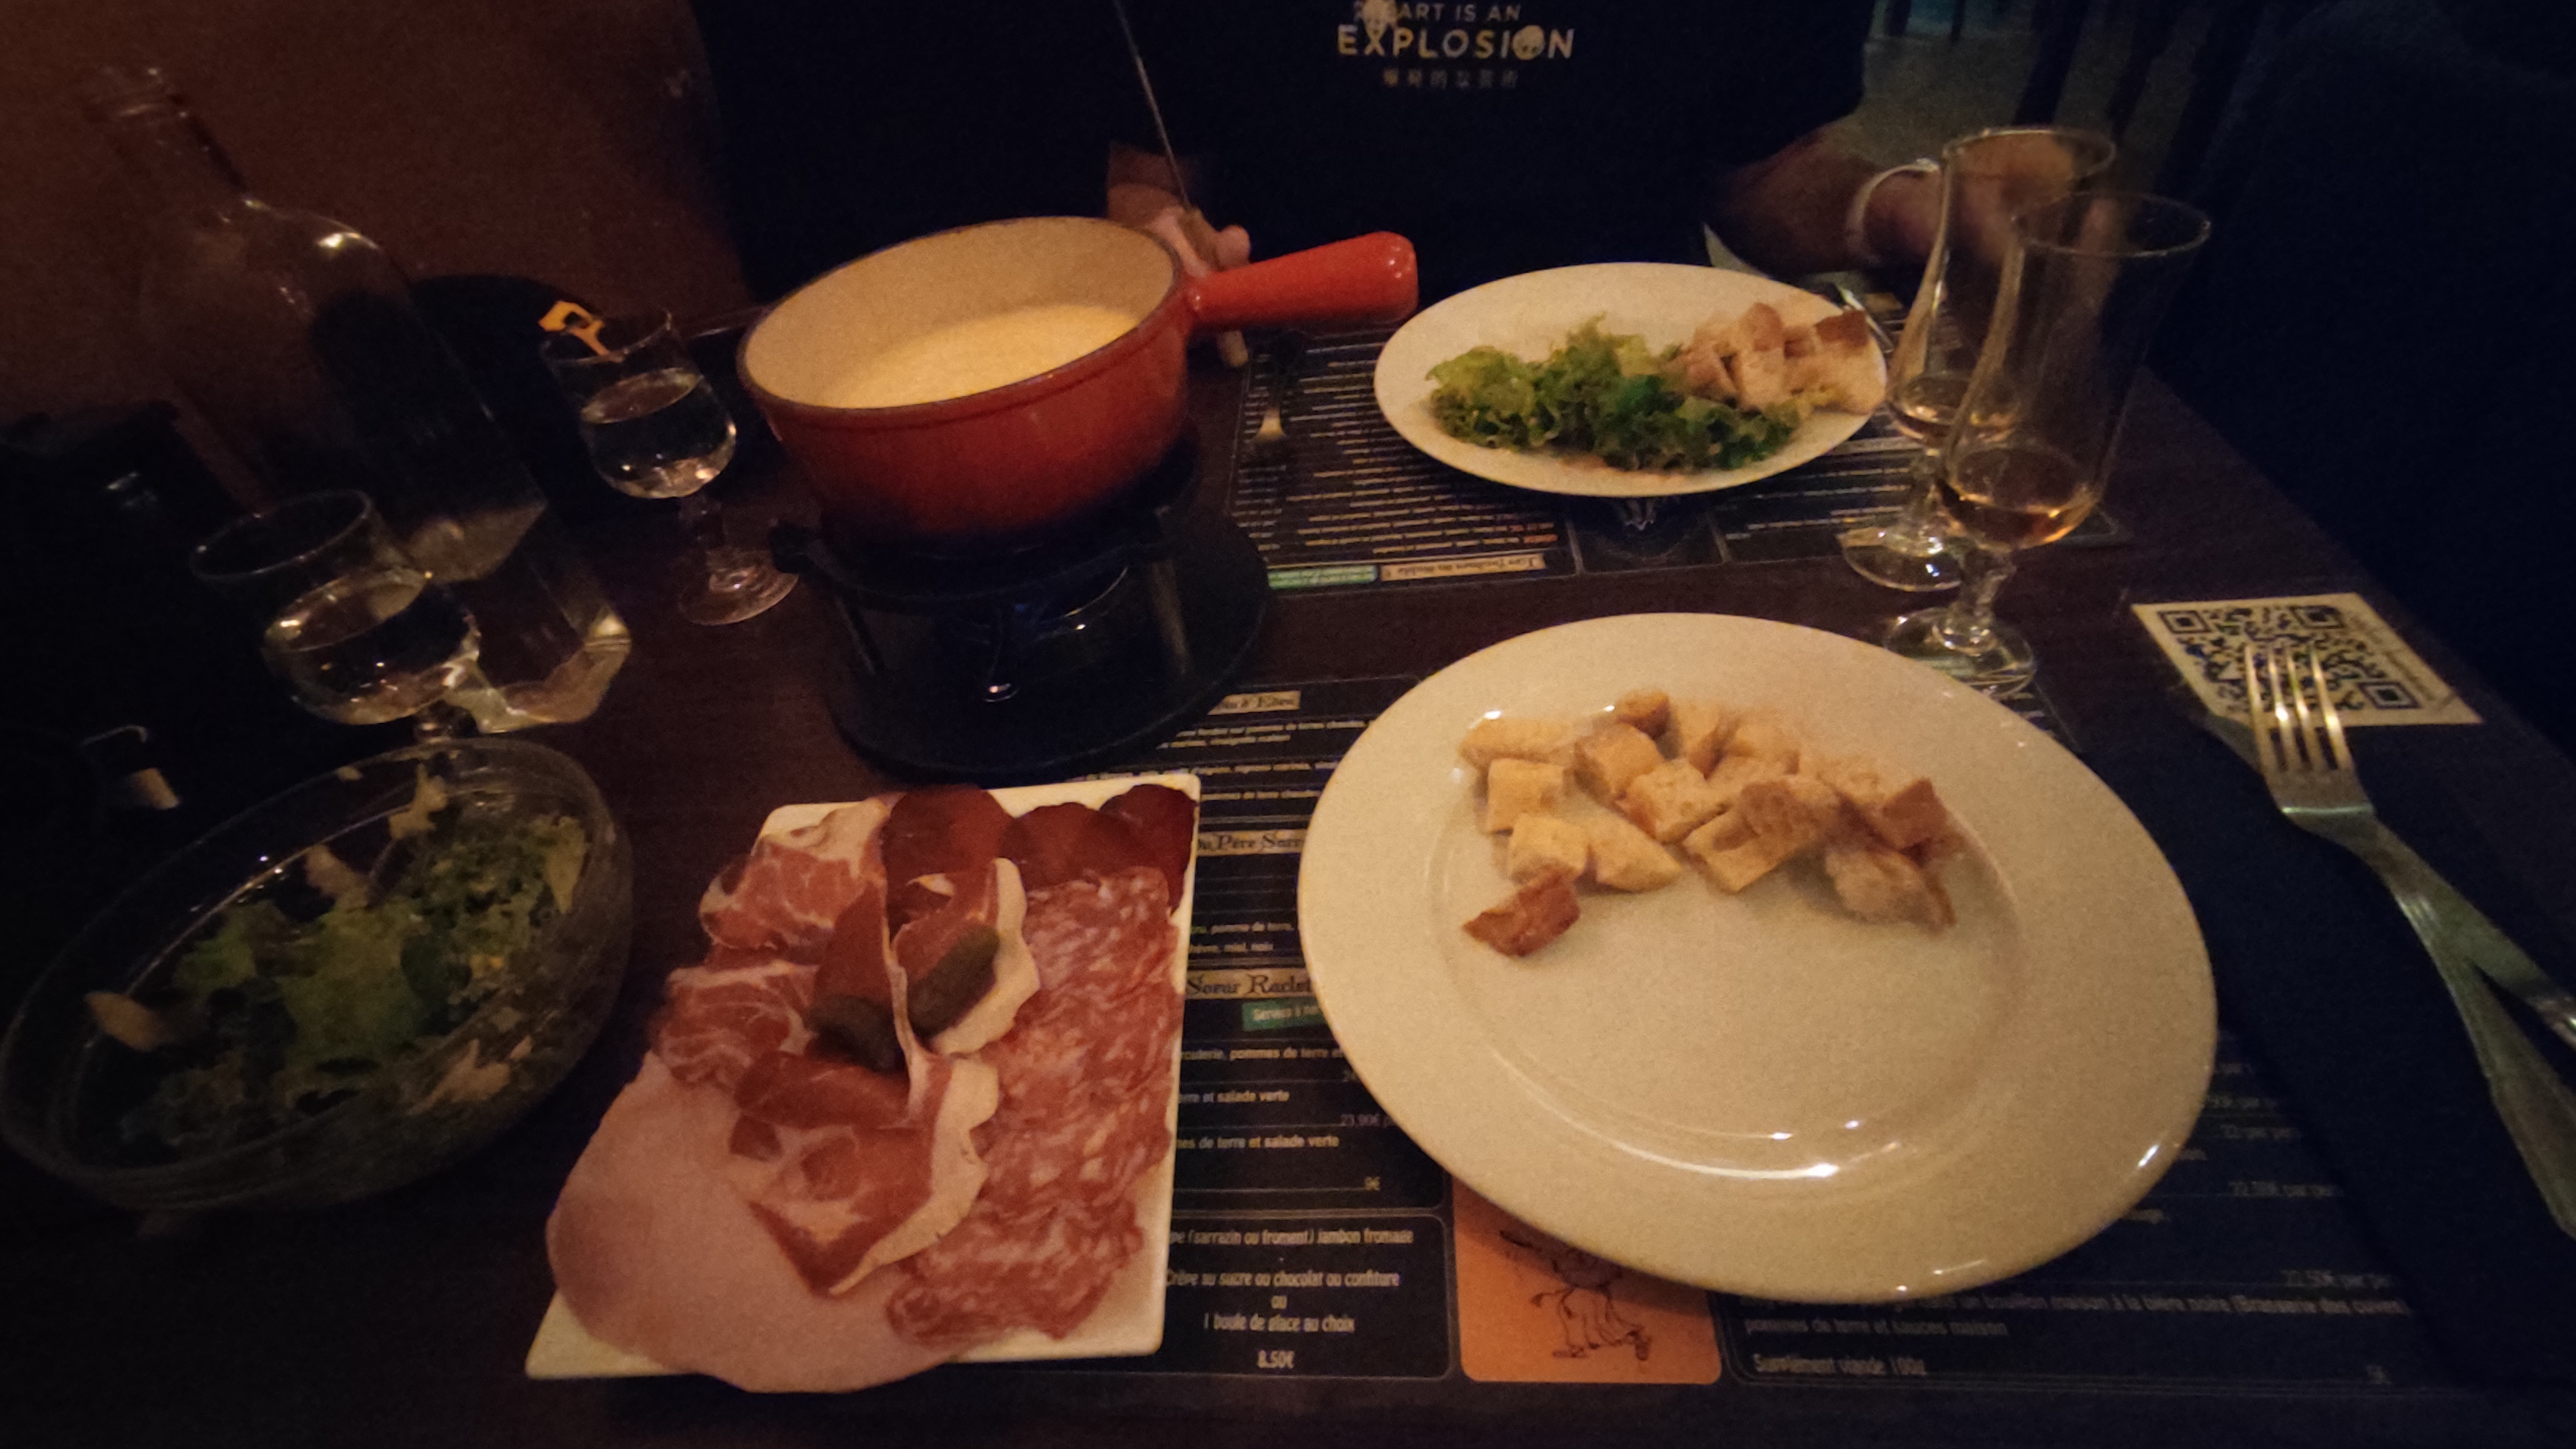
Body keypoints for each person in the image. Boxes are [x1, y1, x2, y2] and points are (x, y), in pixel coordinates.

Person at [1103, 1, 1940, 298]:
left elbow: (1767, 173)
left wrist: (1897, 211)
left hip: (1638, 368)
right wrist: (1150, 247)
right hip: (1296, 371)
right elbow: (1149, 176)